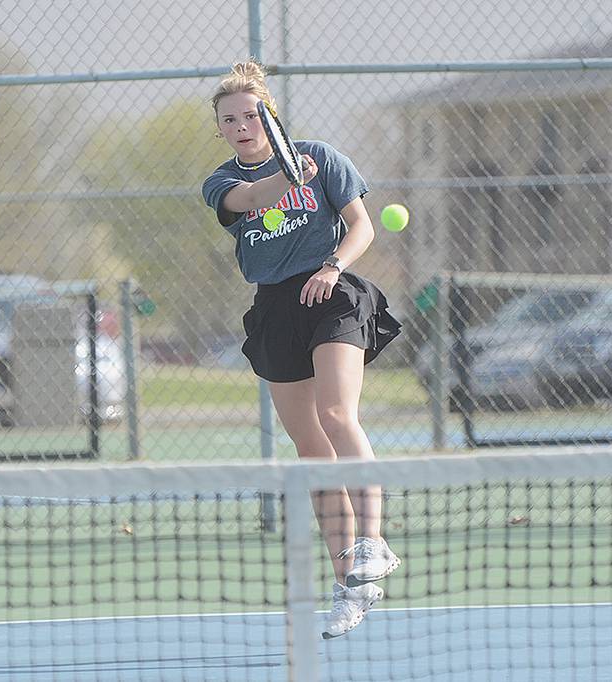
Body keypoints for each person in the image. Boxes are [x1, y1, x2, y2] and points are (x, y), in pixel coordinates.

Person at [201, 61, 402, 639]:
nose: (241, 125)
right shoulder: (220, 182)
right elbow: (247, 199)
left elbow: (361, 225)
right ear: (219, 129)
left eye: (250, 114)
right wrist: (287, 179)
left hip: (333, 291)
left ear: (270, 115)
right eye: (229, 119)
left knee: (338, 414)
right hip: (275, 309)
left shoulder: (324, 156)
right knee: (309, 446)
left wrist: (334, 265)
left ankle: (373, 541)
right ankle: (351, 586)